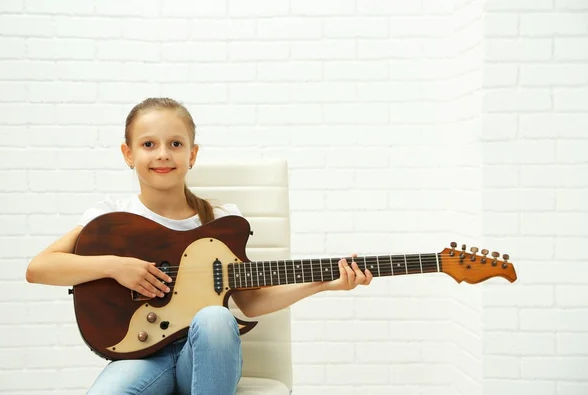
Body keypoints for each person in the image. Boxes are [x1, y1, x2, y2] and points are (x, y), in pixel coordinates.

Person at [26, 97, 373, 395]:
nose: (163, 154)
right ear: (127, 154)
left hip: (207, 355)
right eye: (149, 144)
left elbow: (250, 302)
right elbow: (39, 268)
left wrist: (325, 284)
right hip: (142, 355)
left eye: (175, 144)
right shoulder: (110, 217)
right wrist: (117, 266)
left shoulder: (222, 221)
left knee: (214, 318)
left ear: (192, 155)